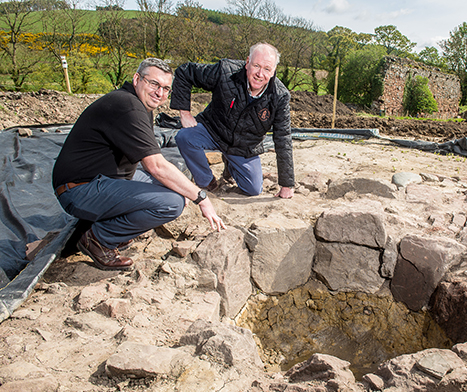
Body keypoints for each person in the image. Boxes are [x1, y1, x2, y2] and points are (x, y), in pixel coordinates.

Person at [52, 58, 225, 271]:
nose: (159, 93)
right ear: (137, 79)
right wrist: (201, 198)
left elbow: (155, 163)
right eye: (153, 84)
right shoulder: (128, 106)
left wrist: (185, 189)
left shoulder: (138, 105)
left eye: (165, 88)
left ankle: (117, 230)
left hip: (106, 178)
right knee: (171, 202)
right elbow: (155, 166)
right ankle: (99, 239)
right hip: (80, 189)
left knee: (172, 186)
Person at [170, 42, 294, 199]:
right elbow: (185, 72)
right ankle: (207, 181)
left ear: (274, 70)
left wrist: (287, 184)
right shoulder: (225, 71)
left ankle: (230, 165)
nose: (260, 74)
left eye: (267, 69)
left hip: (244, 146)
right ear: (247, 62)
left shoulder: (280, 96)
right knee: (184, 137)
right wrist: (185, 113)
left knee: (253, 189)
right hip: (214, 130)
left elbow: (283, 138)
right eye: (256, 65)